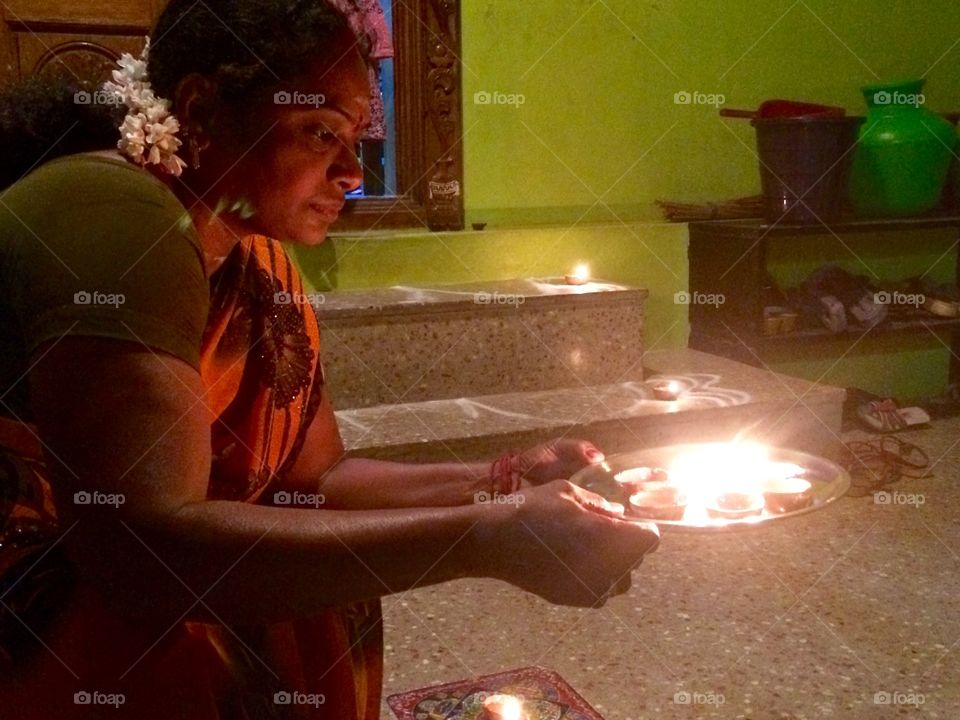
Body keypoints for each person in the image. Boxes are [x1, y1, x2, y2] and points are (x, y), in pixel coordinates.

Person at [0, 1, 660, 717]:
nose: (351, 171)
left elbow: (318, 478)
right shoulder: (117, 211)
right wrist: (485, 539)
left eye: (355, 139)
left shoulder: (254, 253)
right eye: (321, 133)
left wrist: (501, 479)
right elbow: (140, 553)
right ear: (200, 110)